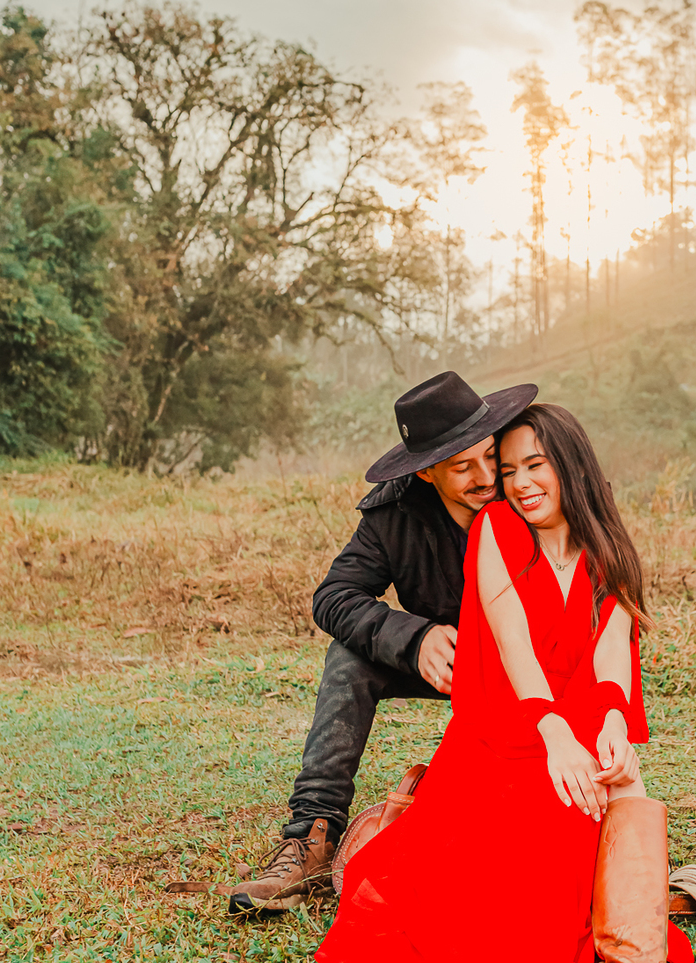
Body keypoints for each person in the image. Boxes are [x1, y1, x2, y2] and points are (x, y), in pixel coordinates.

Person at [315, 403, 696, 963]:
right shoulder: (498, 528)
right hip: (506, 726)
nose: (516, 482)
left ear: (572, 465)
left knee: (622, 774)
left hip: (573, 720)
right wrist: (555, 734)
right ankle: (330, 827)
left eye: (533, 466)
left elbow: (613, 648)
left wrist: (612, 721)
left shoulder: (606, 544)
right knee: (508, 910)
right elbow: (514, 646)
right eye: (509, 471)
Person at [228, 370, 538, 916]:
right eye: (462, 467)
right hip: (449, 661)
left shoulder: (532, 489)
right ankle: (313, 838)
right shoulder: (391, 515)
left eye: (490, 455)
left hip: (533, 664)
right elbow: (334, 597)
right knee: (349, 658)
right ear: (425, 472)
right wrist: (413, 638)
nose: (488, 476)